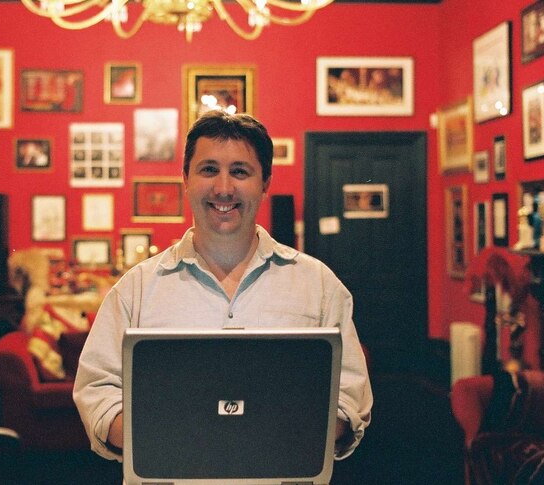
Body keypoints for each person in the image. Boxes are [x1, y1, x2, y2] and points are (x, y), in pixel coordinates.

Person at [73, 110, 373, 464]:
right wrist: (173, 442)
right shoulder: (134, 290)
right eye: (209, 169)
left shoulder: (319, 285)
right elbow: (97, 391)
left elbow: (349, 397)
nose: (224, 188)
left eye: (240, 172)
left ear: (265, 183)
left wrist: (275, 437)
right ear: (185, 178)